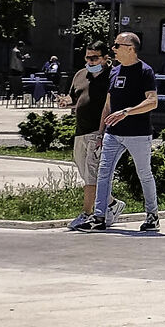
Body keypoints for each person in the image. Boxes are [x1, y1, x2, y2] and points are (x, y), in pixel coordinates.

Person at [92, 32, 162, 233]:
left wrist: (127, 112)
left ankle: (152, 216)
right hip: (113, 133)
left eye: (117, 45)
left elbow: (152, 101)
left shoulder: (145, 71)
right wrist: (100, 133)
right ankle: (99, 216)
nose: (112, 49)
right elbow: (108, 104)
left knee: (144, 174)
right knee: (103, 173)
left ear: (130, 48)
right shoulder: (114, 71)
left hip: (138, 134)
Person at [64, 44, 111, 231]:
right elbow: (73, 98)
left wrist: (102, 133)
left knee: (91, 174)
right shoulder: (80, 75)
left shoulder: (111, 76)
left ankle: (88, 213)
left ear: (105, 58)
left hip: (97, 131)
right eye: (87, 58)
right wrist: (65, 102)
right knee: (84, 171)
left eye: (94, 58)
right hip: (80, 131)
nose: (90, 62)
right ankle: (112, 203)